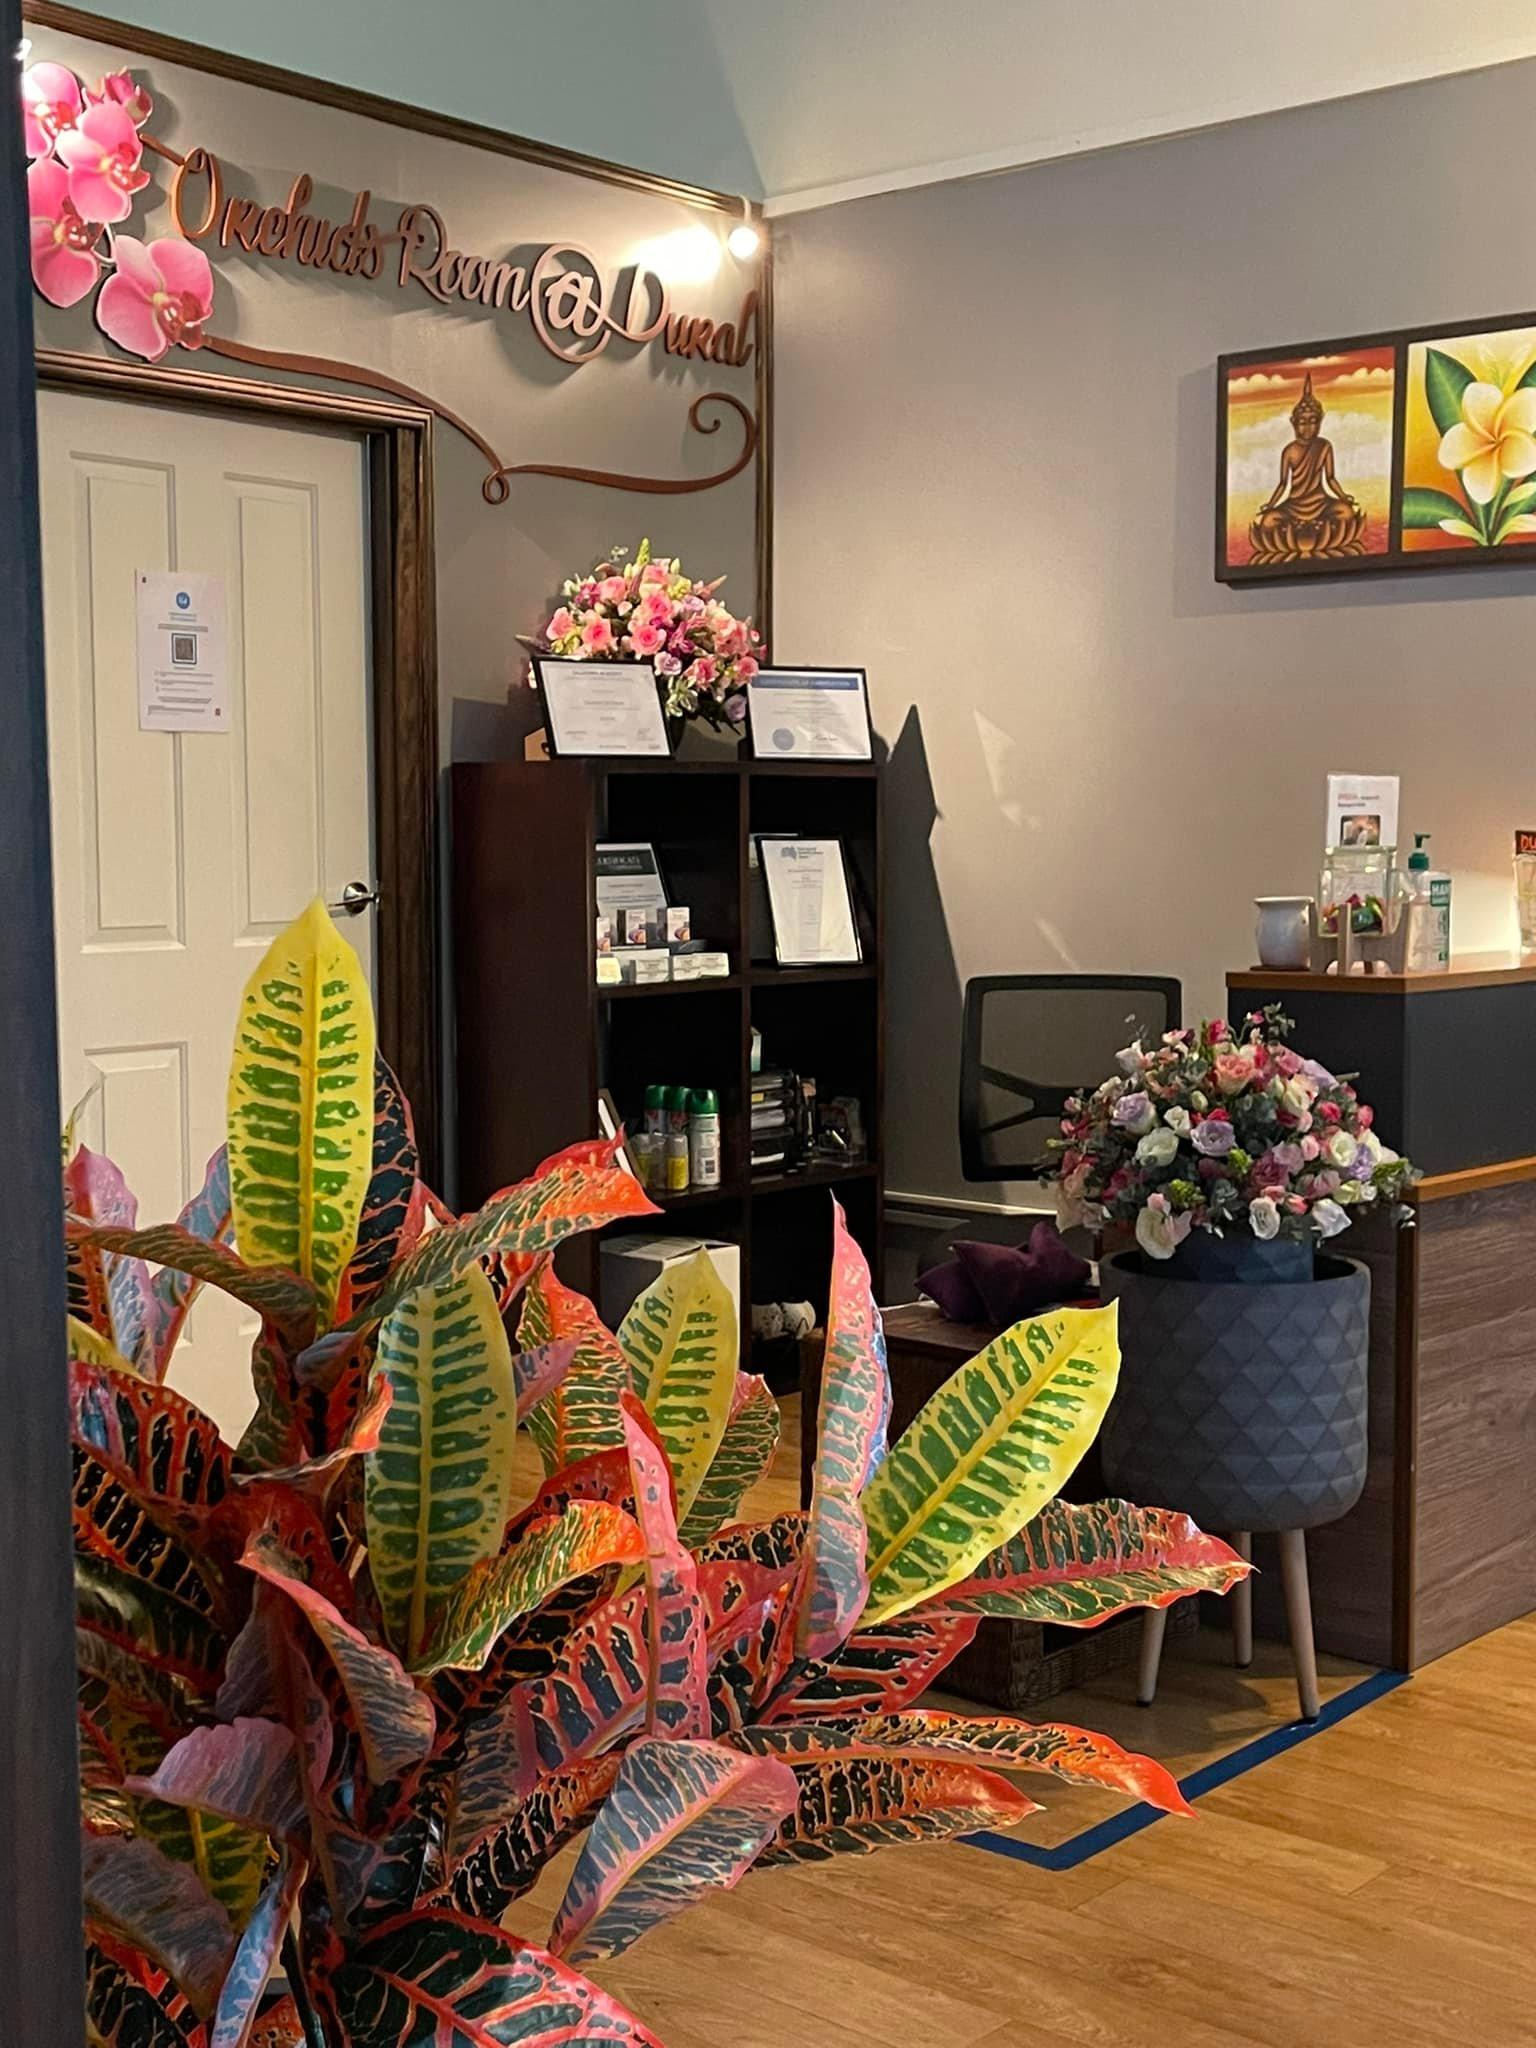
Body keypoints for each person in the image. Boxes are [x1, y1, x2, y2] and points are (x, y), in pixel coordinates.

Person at [1250, 374, 1366, 561]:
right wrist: (1270, 506)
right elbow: (1283, 484)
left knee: (1345, 513)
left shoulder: (1324, 446)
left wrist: (1343, 497)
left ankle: (1301, 533)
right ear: (1293, 423)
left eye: (1313, 421)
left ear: (1320, 421)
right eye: (1303, 422)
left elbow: (1330, 479)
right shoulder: (1289, 451)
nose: (1308, 428)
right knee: (1269, 521)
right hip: (1294, 505)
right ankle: (1317, 532)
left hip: (1321, 503)